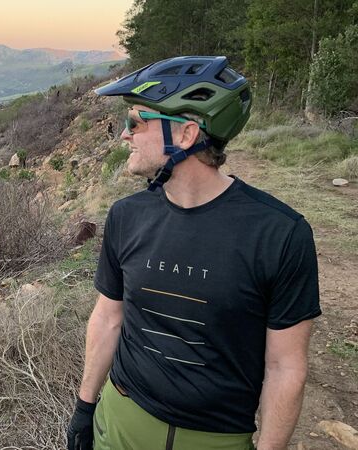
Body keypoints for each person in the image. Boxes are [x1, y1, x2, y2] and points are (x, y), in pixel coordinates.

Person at [66, 56, 321, 450]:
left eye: (136, 121)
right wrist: (85, 407)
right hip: (119, 423)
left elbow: (285, 366)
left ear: (186, 135)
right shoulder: (126, 216)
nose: (124, 135)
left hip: (216, 439)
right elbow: (108, 317)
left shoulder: (280, 234)